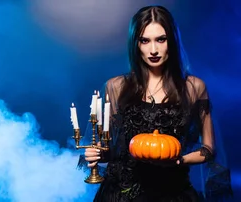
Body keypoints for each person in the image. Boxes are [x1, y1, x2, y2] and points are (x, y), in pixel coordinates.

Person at [81, 5, 232, 202]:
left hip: (171, 191)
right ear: (136, 44)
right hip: (122, 194)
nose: (153, 50)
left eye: (161, 39)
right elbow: (112, 150)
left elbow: (209, 149)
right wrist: (97, 154)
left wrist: (180, 160)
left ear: (172, 41)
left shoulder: (194, 87)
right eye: (145, 41)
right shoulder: (116, 86)